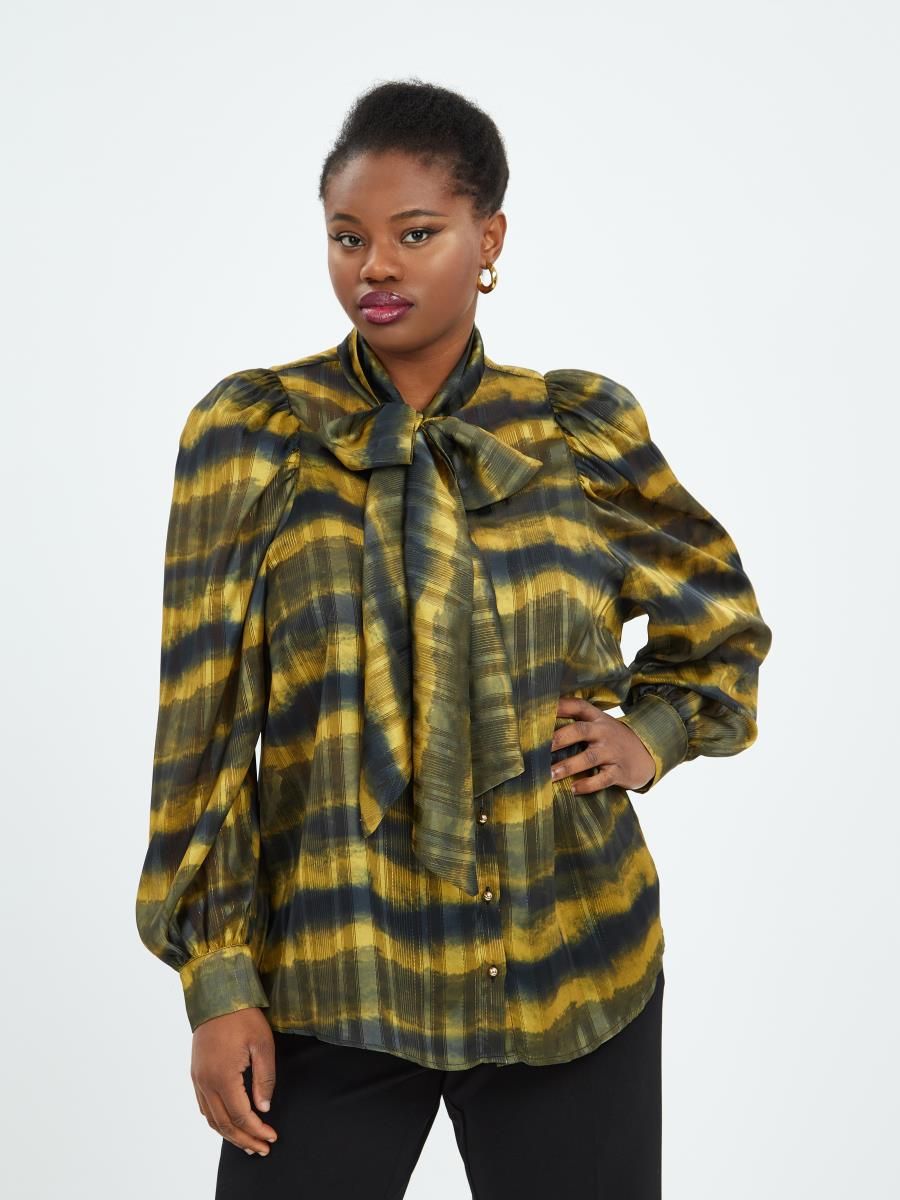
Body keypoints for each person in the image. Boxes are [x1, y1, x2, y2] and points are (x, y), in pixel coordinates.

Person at [135, 79, 772, 1199]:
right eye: (348, 238)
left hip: (567, 963)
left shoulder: (577, 431)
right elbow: (205, 726)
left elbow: (719, 617)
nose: (374, 268)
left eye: (414, 234)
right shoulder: (254, 435)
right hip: (332, 969)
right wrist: (217, 980)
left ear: (490, 240)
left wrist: (653, 734)